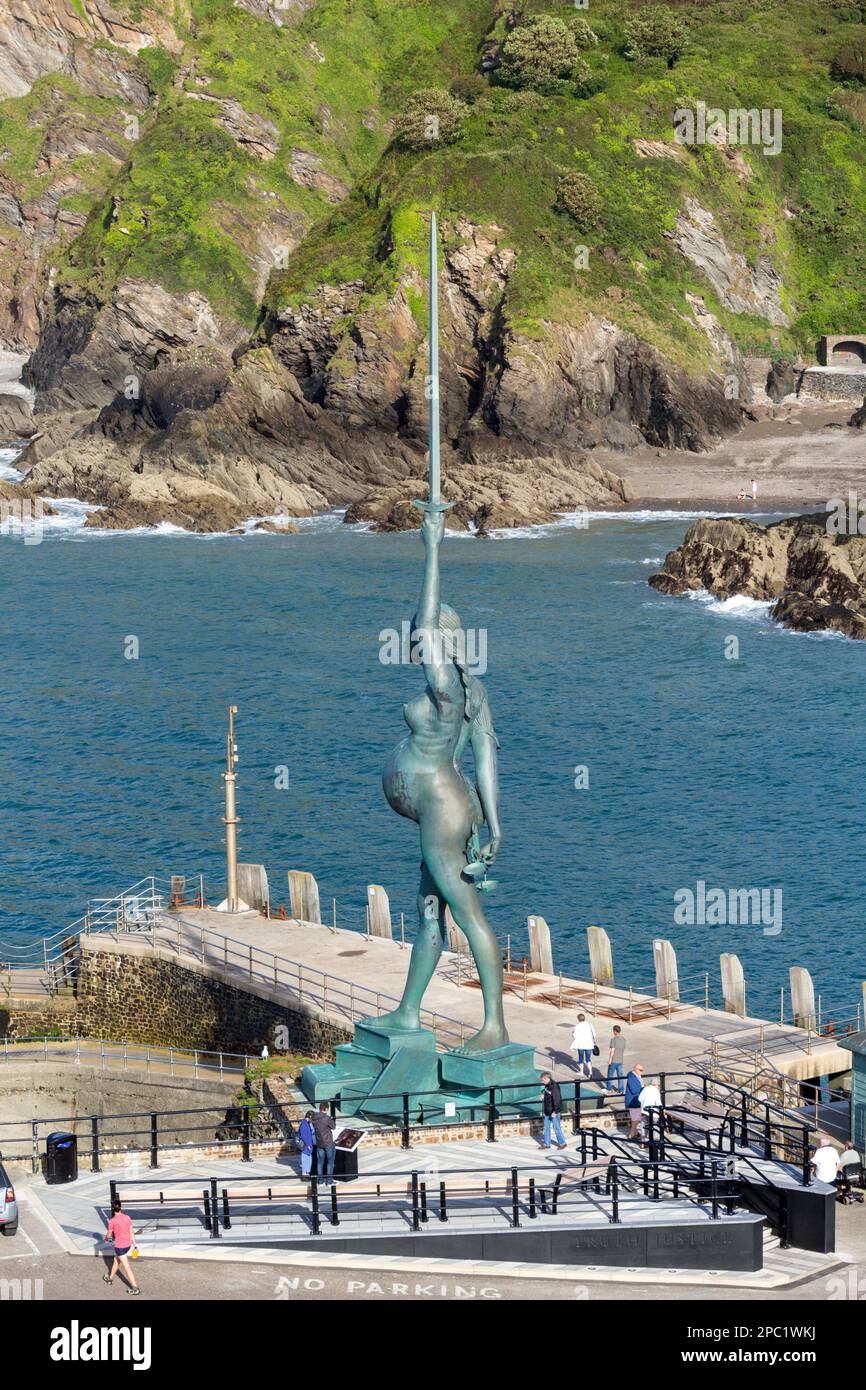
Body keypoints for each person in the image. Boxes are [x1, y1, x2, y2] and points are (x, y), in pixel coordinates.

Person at [101, 1197, 140, 1295]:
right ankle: (110, 1278)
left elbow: (109, 1235)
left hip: (120, 1247)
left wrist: (106, 1239)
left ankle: (135, 1288)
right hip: (128, 1245)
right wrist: (135, 1245)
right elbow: (131, 1233)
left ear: (113, 1208)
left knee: (126, 1267)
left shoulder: (112, 1221)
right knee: (116, 1261)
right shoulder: (127, 1217)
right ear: (120, 1207)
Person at [540, 1072, 567, 1151]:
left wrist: (555, 1111)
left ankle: (562, 1143)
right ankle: (546, 1144)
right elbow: (548, 1096)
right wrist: (543, 1096)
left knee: (557, 1128)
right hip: (547, 1111)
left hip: (553, 1112)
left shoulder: (554, 1087)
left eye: (543, 1080)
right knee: (546, 1128)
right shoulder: (547, 1085)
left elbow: (557, 1100)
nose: (542, 1082)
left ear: (547, 1078)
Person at [311, 1101, 337, 1184]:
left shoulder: (314, 1118)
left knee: (320, 1162)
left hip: (319, 1143)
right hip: (328, 1143)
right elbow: (333, 1127)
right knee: (330, 1162)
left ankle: (320, 1180)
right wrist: (331, 1119)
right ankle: (329, 1181)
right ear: (326, 1109)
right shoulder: (326, 1118)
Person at [570, 1013, 597, 1079]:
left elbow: (575, 1036)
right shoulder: (589, 1024)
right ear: (584, 1018)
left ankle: (581, 1072)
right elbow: (594, 1034)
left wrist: (573, 1033)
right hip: (589, 1045)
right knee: (588, 1059)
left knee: (581, 1059)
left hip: (581, 1045)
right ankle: (590, 1072)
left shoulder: (577, 1026)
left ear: (578, 1019)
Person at [638, 1076, 662, 1148]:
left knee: (644, 1127)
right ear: (657, 1085)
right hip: (653, 1113)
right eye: (659, 1085)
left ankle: (643, 1143)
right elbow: (658, 1103)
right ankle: (653, 1143)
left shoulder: (645, 1088)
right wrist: (662, 1109)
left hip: (644, 1111)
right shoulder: (656, 1091)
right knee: (654, 1127)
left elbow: (639, 1099)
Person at [624, 1063, 644, 1140]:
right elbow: (634, 1090)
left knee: (636, 1118)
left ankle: (634, 1133)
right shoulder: (632, 1077)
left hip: (635, 1100)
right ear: (635, 1069)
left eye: (642, 1070)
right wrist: (644, 1088)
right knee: (636, 1119)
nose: (642, 1072)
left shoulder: (636, 1076)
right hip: (633, 1101)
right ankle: (632, 1134)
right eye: (640, 1070)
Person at [607, 1026, 626, 1094]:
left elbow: (612, 1050)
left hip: (614, 1060)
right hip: (620, 1060)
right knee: (620, 1076)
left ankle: (609, 1088)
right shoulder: (623, 1039)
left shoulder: (613, 1039)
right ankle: (621, 1090)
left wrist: (609, 1060)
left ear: (615, 1031)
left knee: (610, 1075)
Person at [297, 1110, 315, 1177]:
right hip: (306, 1146)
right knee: (306, 1159)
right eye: (313, 1118)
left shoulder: (305, 1123)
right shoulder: (304, 1124)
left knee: (307, 1159)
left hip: (307, 1145)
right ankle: (305, 1174)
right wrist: (308, 1145)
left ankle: (306, 1173)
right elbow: (303, 1136)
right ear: (310, 1117)